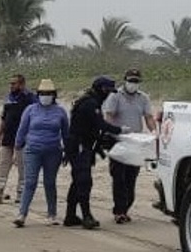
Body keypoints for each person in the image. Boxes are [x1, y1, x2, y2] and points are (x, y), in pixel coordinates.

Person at [64, 76, 126, 229]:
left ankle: (70, 215)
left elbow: (91, 127)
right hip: (79, 146)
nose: (109, 95)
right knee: (84, 181)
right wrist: (119, 130)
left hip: (81, 145)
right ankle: (86, 216)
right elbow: (100, 124)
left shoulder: (89, 101)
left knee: (77, 181)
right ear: (102, 89)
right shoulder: (90, 104)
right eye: (108, 91)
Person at [12, 79, 69, 227]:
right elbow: (22, 130)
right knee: (30, 182)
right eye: (43, 93)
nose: (46, 96)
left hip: (53, 152)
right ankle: (22, 214)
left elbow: (66, 134)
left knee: (50, 183)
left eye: (49, 93)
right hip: (32, 151)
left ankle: (52, 214)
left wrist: (68, 151)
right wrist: (17, 147)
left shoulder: (60, 112)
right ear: (38, 94)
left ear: (54, 95)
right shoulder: (30, 110)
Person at [103, 68, 156, 223]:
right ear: (125, 80)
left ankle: (125, 208)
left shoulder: (143, 98)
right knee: (118, 176)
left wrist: (154, 132)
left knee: (131, 177)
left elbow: (148, 117)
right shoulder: (115, 96)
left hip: (136, 142)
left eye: (136, 81)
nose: (133, 84)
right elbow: (109, 116)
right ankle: (119, 211)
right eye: (130, 81)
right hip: (118, 141)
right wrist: (114, 131)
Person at [0, 74, 35, 205]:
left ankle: (21, 193)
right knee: (3, 164)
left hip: (23, 137)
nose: (11, 86)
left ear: (22, 84)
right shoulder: (9, 98)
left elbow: (35, 117)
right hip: (7, 136)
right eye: (10, 83)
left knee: (22, 166)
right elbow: (4, 117)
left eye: (14, 83)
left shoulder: (30, 98)